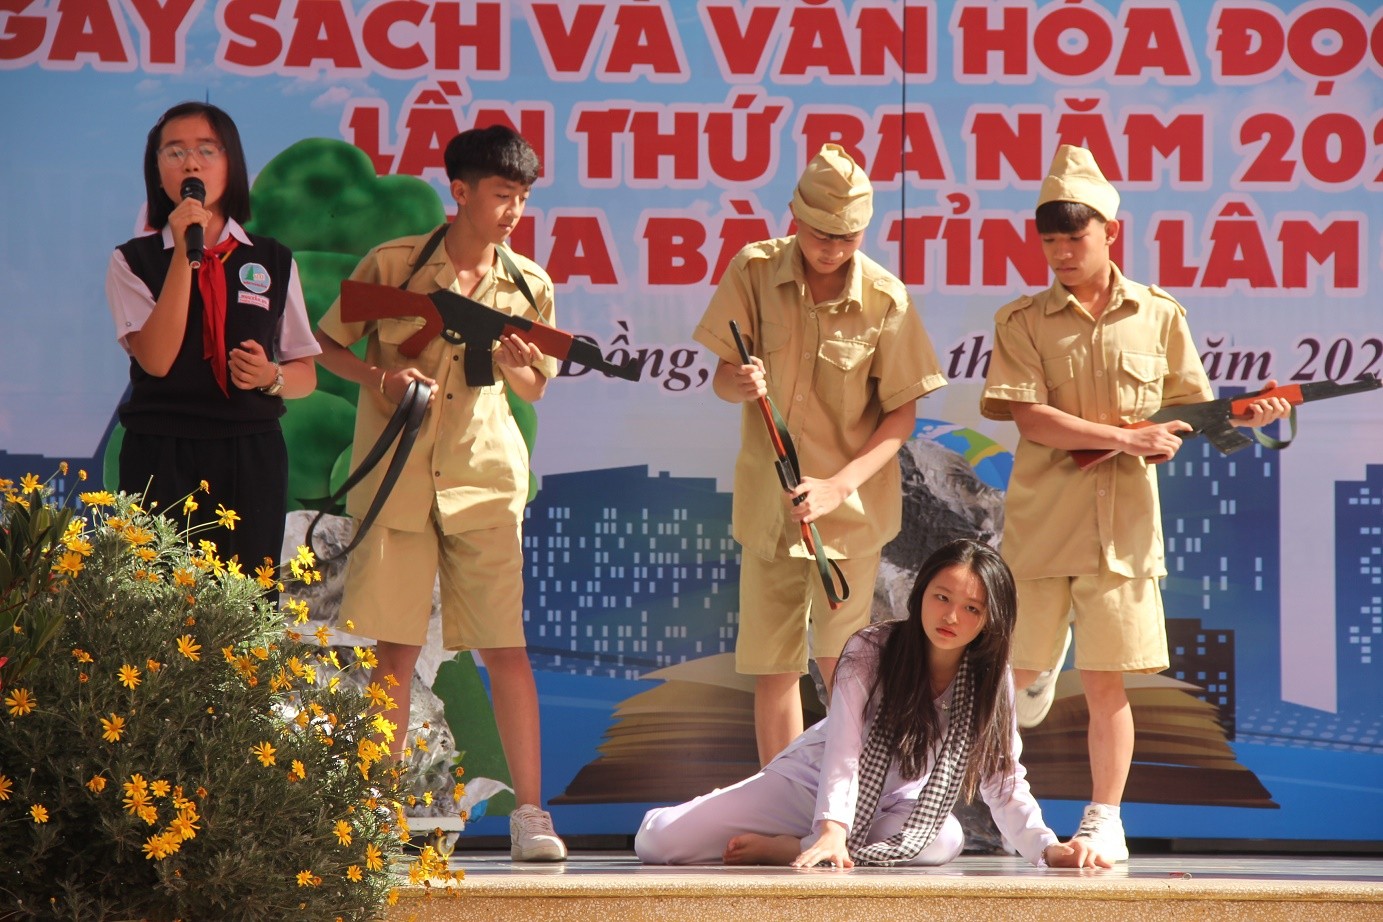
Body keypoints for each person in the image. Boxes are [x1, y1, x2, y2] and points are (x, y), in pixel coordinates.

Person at [980, 145, 1291, 861]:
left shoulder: (1157, 315)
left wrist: (1246, 415)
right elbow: (1030, 419)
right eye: (1050, 239)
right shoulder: (1023, 319)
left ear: (1110, 232)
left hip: (1121, 529)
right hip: (1042, 522)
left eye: (1074, 237)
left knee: (1104, 680)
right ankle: (963, 801)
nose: (1061, 252)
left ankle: (1102, 816)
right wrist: (1125, 437)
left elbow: (1187, 411)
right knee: (1013, 678)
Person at [313, 125, 566, 862]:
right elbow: (327, 341)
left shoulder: (528, 284)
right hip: (400, 481)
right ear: (459, 192)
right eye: (500, 195)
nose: (512, 211)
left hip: (485, 484)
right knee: (393, 652)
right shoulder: (394, 266)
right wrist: (380, 379)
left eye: (521, 197)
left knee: (506, 649)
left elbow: (534, 387)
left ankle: (530, 815)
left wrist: (520, 362)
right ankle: (376, 812)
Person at [692, 144, 947, 767]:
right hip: (770, 507)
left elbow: (902, 413)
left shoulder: (887, 297)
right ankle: (779, 800)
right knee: (772, 666)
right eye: (819, 232)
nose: (831, 246)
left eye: (846, 235)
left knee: (847, 665)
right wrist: (739, 383)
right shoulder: (753, 271)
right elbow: (722, 379)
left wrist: (841, 485)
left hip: (850, 516)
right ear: (792, 217)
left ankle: (846, 801)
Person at [635, 538, 1110, 869]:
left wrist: (1048, 849)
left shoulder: (992, 680)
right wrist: (831, 826)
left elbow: (1003, 781)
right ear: (920, 592)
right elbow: (844, 751)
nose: (950, 616)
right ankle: (815, 838)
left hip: (892, 805)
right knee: (657, 843)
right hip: (806, 784)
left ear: (991, 619)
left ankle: (793, 849)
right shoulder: (870, 650)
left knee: (945, 839)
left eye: (972, 609)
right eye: (941, 597)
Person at [106, 101, 319, 574]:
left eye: (207, 150)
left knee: (241, 608)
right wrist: (186, 252)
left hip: (251, 452)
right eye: (173, 152)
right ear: (157, 169)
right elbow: (157, 360)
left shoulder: (273, 260)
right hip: (160, 450)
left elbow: (306, 373)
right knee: (154, 606)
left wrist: (271, 376)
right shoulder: (132, 261)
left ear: (231, 163)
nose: (191, 163)